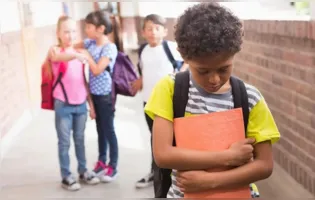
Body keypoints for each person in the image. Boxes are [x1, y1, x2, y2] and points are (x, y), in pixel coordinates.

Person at [144, 3, 281, 198]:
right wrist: (228, 157)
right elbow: (163, 154)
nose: (214, 79)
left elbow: (265, 165)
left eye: (224, 69)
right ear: (185, 57)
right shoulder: (170, 89)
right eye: (203, 71)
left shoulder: (249, 98)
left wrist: (210, 182)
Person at [131, 14, 187, 190]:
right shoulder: (143, 50)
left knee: (172, 141)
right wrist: (140, 80)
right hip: (148, 103)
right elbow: (144, 70)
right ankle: (156, 175)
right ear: (143, 32)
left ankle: (174, 175)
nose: (153, 32)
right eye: (149, 28)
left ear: (165, 31)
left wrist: (179, 75)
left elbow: (187, 62)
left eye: (157, 28)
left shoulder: (170, 48)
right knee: (155, 141)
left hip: (169, 104)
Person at [47, 15, 100, 191]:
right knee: (64, 142)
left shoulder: (80, 55)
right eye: (66, 31)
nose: (70, 35)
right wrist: (78, 54)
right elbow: (61, 57)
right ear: (58, 34)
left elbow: (83, 82)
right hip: (63, 104)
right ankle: (66, 176)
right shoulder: (55, 51)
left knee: (80, 140)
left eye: (73, 31)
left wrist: (90, 105)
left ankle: (83, 171)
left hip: (80, 105)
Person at [74, 10, 119, 183]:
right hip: (93, 94)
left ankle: (113, 167)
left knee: (109, 130)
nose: (86, 30)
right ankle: (101, 162)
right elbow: (74, 47)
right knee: (100, 130)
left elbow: (97, 69)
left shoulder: (109, 47)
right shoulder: (89, 42)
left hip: (106, 95)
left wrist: (86, 56)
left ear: (100, 29)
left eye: (89, 27)